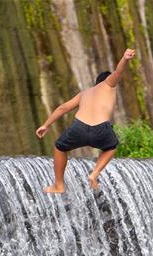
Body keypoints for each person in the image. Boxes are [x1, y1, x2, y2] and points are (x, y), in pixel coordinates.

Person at [36, 49, 137, 193]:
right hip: (101, 129)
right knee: (111, 146)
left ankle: (58, 185)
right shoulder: (109, 85)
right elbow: (118, 72)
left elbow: (63, 108)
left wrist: (46, 125)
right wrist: (125, 59)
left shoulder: (84, 93)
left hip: (78, 127)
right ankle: (94, 174)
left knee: (60, 148)